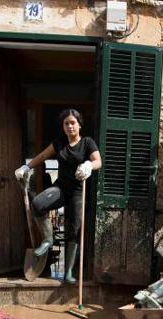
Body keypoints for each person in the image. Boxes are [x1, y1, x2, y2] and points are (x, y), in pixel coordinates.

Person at [15, 109, 102, 283]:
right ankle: (48, 239)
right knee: (38, 204)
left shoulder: (87, 142)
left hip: (78, 191)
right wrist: (27, 167)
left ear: (79, 125)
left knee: (75, 229)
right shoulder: (59, 143)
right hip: (61, 188)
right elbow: (41, 156)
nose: (69, 126)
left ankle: (68, 272)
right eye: (66, 123)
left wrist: (88, 166)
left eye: (73, 123)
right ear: (63, 126)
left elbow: (98, 161)